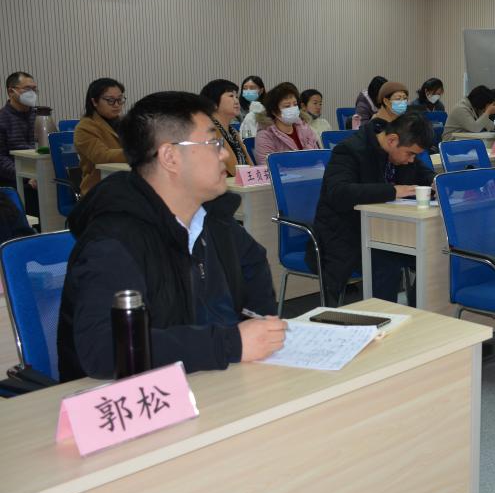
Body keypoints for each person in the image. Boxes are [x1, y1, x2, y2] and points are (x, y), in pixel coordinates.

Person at [56, 91, 285, 381]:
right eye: (213, 143)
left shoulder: (211, 218)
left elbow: (253, 262)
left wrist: (261, 328)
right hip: (137, 395)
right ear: (170, 156)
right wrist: (229, 343)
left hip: (211, 377)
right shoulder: (114, 242)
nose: (225, 154)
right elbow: (103, 349)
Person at [309, 113, 436, 307]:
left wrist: (435, 181)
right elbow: (339, 192)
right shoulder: (349, 150)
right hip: (346, 234)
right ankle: (382, 318)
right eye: (410, 154)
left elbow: (422, 172)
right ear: (392, 140)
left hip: (388, 231)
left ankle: (419, 313)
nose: (412, 160)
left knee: (433, 253)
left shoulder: (401, 150)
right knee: (387, 261)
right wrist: (393, 191)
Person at [75, 77, 127, 195]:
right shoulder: (85, 127)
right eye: (110, 100)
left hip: (126, 183)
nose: (117, 105)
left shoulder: (126, 122)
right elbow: (102, 156)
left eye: (120, 99)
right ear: (94, 102)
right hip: (99, 189)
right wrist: (137, 153)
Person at [1, 72, 39, 215]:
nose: (32, 93)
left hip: (40, 173)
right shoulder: (2, 119)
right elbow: (1, 159)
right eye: (27, 89)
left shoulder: (39, 117)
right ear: (11, 91)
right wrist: (26, 176)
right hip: (14, 179)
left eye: (34, 89)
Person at [254, 82, 320, 165]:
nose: (293, 109)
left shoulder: (304, 127)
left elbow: (318, 157)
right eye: (287, 106)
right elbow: (267, 166)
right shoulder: (265, 135)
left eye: (295, 104)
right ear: (274, 111)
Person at [200, 79, 252, 176]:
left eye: (237, 97)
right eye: (231, 96)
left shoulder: (233, 132)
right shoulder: (207, 133)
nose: (236, 101)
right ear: (213, 103)